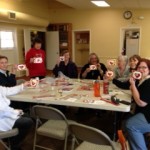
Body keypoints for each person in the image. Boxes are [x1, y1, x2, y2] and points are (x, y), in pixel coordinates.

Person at [125, 58, 150, 150]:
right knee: (127, 120)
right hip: (144, 111)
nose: (141, 69)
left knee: (131, 125)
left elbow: (141, 102)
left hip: (148, 114)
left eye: (144, 67)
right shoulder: (143, 80)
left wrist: (133, 85)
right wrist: (133, 82)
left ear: (149, 70)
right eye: (139, 67)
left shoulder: (149, 82)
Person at [0, 81, 33, 150]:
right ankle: (14, 145)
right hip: (2, 120)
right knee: (27, 122)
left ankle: (11, 141)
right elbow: (2, 111)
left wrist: (23, 85)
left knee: (26, 115)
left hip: (5, 115)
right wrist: (15, 112)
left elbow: (9, 90)